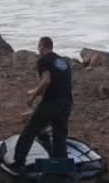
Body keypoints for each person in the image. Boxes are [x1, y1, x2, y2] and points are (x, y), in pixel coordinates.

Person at [12, 36, 73, 169]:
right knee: (59, 135)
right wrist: (36, 90)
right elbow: (57, 82)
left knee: (30, 130)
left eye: (38, 47)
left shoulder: (43, 61)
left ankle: (18, 163)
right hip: (67, 102)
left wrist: (32, 98)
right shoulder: (62, 61)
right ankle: (61, 167)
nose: (38, 50)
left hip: (52, 101)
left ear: (41, 46)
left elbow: (46, 81)